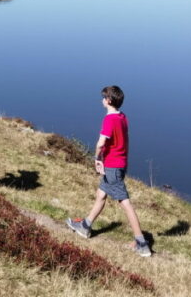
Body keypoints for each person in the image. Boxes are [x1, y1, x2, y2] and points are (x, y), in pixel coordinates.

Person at [66, 85, 151, 257]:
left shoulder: (109, 120)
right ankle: (85, 226)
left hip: (112, 165)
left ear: (109, 100)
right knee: (101, 194)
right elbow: (124, 140)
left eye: (104, 97)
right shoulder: (122, 117)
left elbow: (101, 143)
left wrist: (97, 159)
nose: (101, 100)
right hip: (120, 163)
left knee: (124, 202)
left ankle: (141, 243)